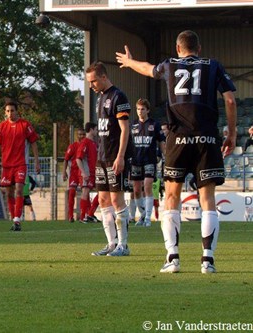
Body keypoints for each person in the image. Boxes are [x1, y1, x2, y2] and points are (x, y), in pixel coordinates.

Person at [116, 30, 237, 273]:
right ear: (199, 48)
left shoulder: (170, 64)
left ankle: (173, 258)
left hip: (178, 137)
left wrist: (129, 62)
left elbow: (148, 68)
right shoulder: (213, 65)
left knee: (171, 196)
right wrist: (231, 134)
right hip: (206, 137)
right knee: (208, 199)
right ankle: (207, 260)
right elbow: (231, 100)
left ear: (178, 48)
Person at [86, 62, 133, 257]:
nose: (91, 85)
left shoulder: (118, 96)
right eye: (89, 82)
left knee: (116, 199)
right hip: (102, 157)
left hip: (115, 156)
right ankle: (111, 244)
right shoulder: (99, 98)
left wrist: (121, 156)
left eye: (94, 81)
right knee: (103, 199)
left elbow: (125, 129)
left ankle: (123, 245)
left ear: (104, 77)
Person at [0, 100, 40, 231]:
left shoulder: (25, 125)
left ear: (17, 112)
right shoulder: (1, 126)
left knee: (18, 189)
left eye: (12, 110)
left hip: (20, 164)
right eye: (7, 111)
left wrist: (36, 161)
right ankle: (14, 219)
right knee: (9, 193)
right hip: (6, 165)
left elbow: (33, 142)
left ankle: (17, 219)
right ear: (5, 113)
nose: (10, 113)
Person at [131, 98, 166, 227]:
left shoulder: (154, 124)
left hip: (149, 160)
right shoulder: (133, 125)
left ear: (148, 110)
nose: (140, 112)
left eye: (143, 109)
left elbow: (161, 140)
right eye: (138, 109)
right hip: (136, 161)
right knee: (136, 191)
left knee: (147, 186)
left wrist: (164, 156)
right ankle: (143, 214)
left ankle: (147, 220)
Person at [75, 122, 100, 223]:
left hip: (95, 172)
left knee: (102, 193)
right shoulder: (85, 142)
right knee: (85, 192)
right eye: (96, 129)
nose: (97, 131)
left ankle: (90, 214)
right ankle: (82, 217)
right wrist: (84, 172)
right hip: (87, 173)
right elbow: (78, 159)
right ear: (91, 130)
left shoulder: (94, 143)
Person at [62, 128, 85, 222]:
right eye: (80, 134)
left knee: (85, 193)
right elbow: (66, 159)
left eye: (83, 134)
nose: (81, 136)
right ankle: (70, 216)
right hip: (74, 172)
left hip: (84, 172)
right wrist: (64, 172)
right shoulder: (73, 146)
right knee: (71, 193)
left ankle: (84, 216)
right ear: (77, 136)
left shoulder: (87, 145)